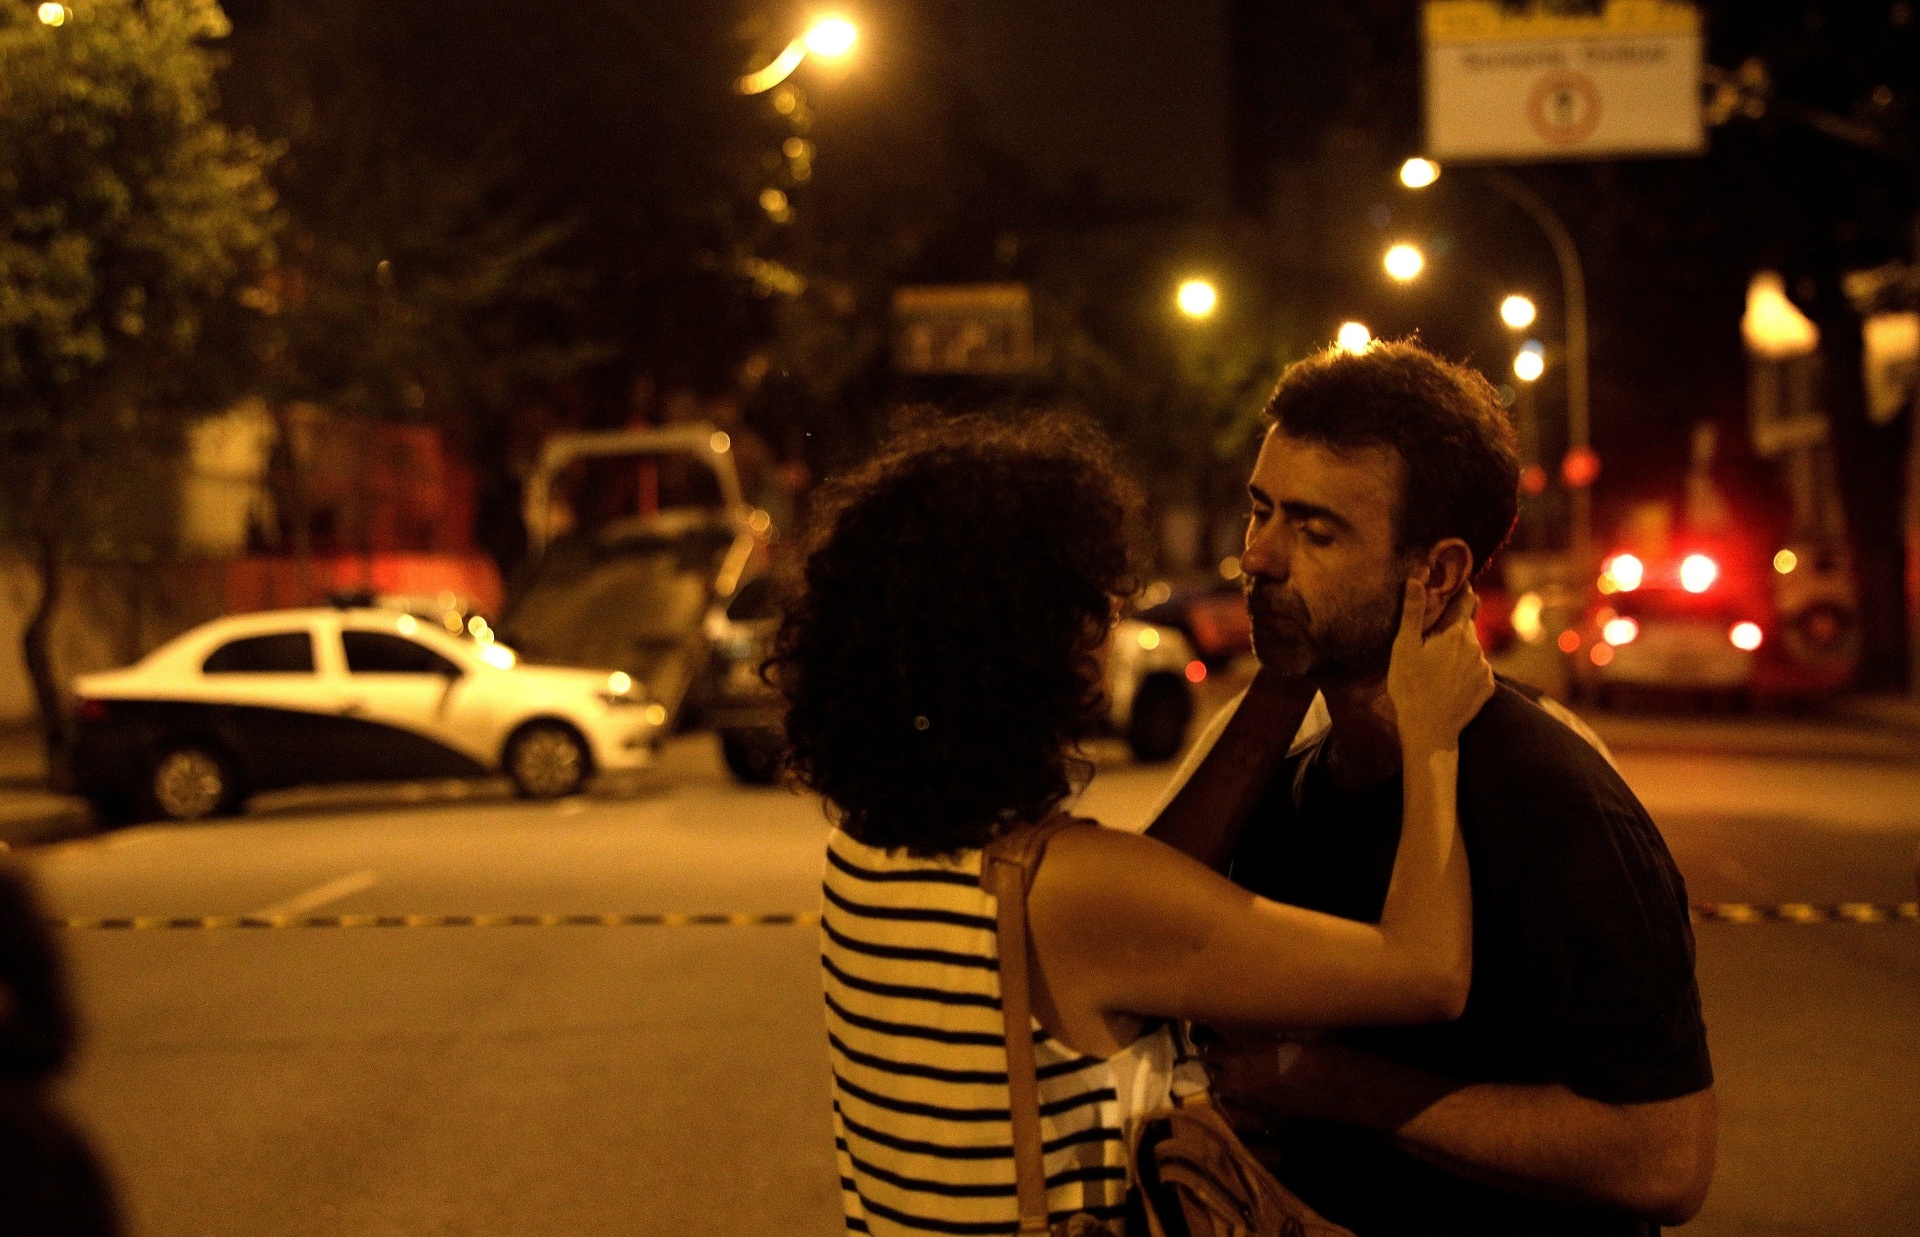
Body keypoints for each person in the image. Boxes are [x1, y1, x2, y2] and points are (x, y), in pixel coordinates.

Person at [770, 412, 1493, 1236]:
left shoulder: (869, 847)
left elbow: (1140, 905)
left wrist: (1281, 685)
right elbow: (1425, 973)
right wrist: (1433, 733)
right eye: (1089, 600)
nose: (1109, 622)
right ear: (1028, 640)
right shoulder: (1069, 889)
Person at [1148, 340, 1715, 1236]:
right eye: (1260, 511)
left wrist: (1331, 1084)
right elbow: (1142, 932)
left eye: (1315, 531)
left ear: (1440, 574)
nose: (1258, 557)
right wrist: (1282, 682)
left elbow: (1662, 1156)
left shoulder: (1557, 804)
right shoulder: (1284, 776)